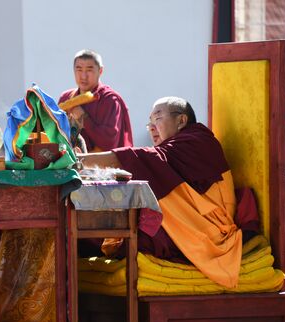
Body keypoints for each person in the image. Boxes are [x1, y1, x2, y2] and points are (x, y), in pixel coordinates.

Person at [78, 96, 243, 288]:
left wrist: (80, 161)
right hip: (188, 225)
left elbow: (145, 158)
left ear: (181, 120)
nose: (151, 127)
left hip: (210, 232)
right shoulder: (173, 150)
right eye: (150, 122)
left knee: (115, 237)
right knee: (92, 236)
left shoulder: (199, 142)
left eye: (157, 118)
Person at [58, 49, 133, 152]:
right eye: (79, 70)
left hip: (100, 166)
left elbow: (109, 143)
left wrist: (84, 118)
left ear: (100, 71)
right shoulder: (66, 97)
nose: (83, 76)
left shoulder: (109, 99)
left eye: (89, 70)